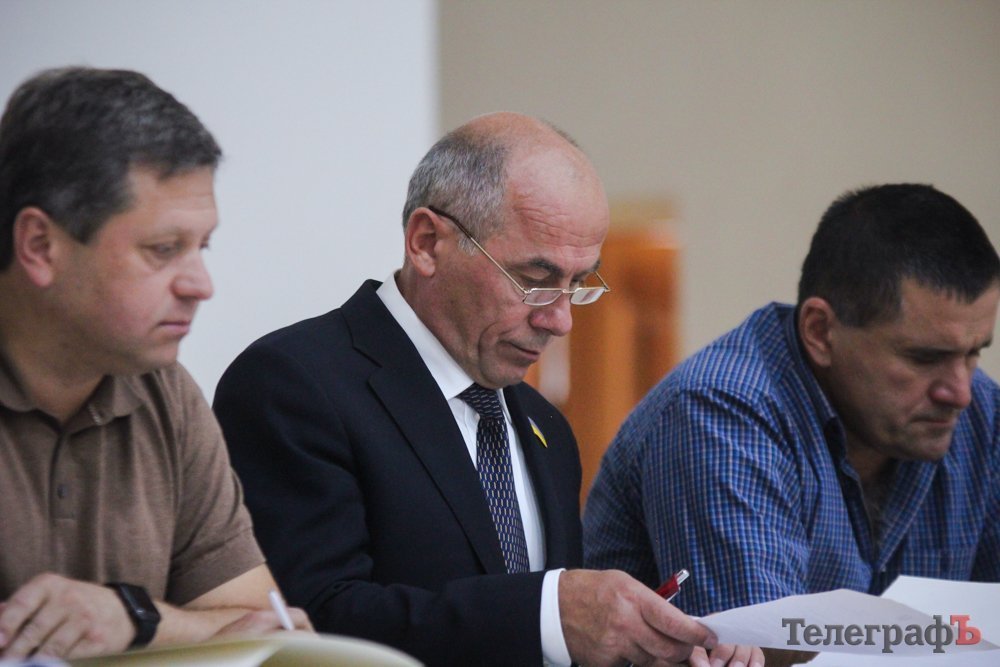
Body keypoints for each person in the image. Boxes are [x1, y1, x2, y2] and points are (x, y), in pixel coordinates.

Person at [214, 113, 761, 666]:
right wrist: (550, 613)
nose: (560, 321)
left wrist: (655, 653)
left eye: (577, 284)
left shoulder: (546, 427)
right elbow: (308, 627)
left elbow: (546, 649)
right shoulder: (293, 384)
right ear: (427, 243)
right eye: (535, 280)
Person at [584, 183, 1000, 663]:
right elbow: (761, 654)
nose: (959, 392)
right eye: (924, 358)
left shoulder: (982, 417)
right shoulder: (721, 410)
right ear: (820, 331)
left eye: (973, 353)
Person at [0, 67, 310, 660]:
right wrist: (190, 632)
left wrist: (132, 617)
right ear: (40, 246)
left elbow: (269, 632)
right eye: (163, 250)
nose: (201, 285)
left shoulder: (164, 391)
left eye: (202, 246)